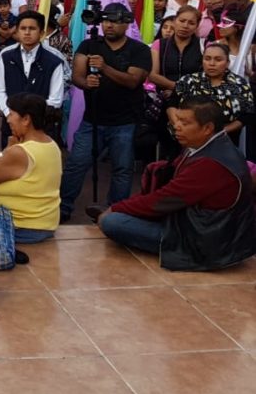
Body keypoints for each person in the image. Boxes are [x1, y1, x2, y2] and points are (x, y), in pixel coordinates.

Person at [97, 98, 256, 271]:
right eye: (177, 120)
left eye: (184, 122)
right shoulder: (211, 144)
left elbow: (163, 200)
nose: (176, 126)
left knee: (112, 222)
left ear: (207, 128)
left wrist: (117, 209)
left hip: (205, 241)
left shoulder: (210, 164)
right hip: (200, 224)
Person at [59, 2, 151, 222]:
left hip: (125, 121)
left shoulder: (139, 50)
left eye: (116, 21)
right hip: (92, 119)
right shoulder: (89, 45)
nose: (110, 25)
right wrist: (86, 82)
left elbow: (133, 81)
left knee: (122, 169)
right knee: (75, 165)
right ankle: (63, 208)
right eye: (107, 20)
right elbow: (77, 76)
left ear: (127, 24)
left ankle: (115, 213)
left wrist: (105, 68)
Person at [0, 94, 62, 245]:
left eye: (11, 114)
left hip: (19, 227)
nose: (8, 119)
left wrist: (6, 150)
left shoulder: (18, 152)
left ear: (26, 119)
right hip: (45, 224)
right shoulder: (52, 145)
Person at [0, 11, 66, 145]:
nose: (27, 32)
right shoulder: (6, 57)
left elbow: (55, 99)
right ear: (17, 31)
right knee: (11, 164)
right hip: (11, 127)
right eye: (23, 28)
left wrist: (29, 119)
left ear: (41, 33)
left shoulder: (54, 61)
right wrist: (10, 114)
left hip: (40, 129)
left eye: (32, 28)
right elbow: (0, 91)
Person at [171, 41, 254, 143]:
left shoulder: (239, 84)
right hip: (187, 138)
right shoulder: (188, 81)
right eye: (207, 59)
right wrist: (181, 127)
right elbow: (171, 104)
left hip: (225, 139)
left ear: (227, 63)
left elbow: (247, 115)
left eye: (218, 59)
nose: (212, 63)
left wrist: (219, 132)